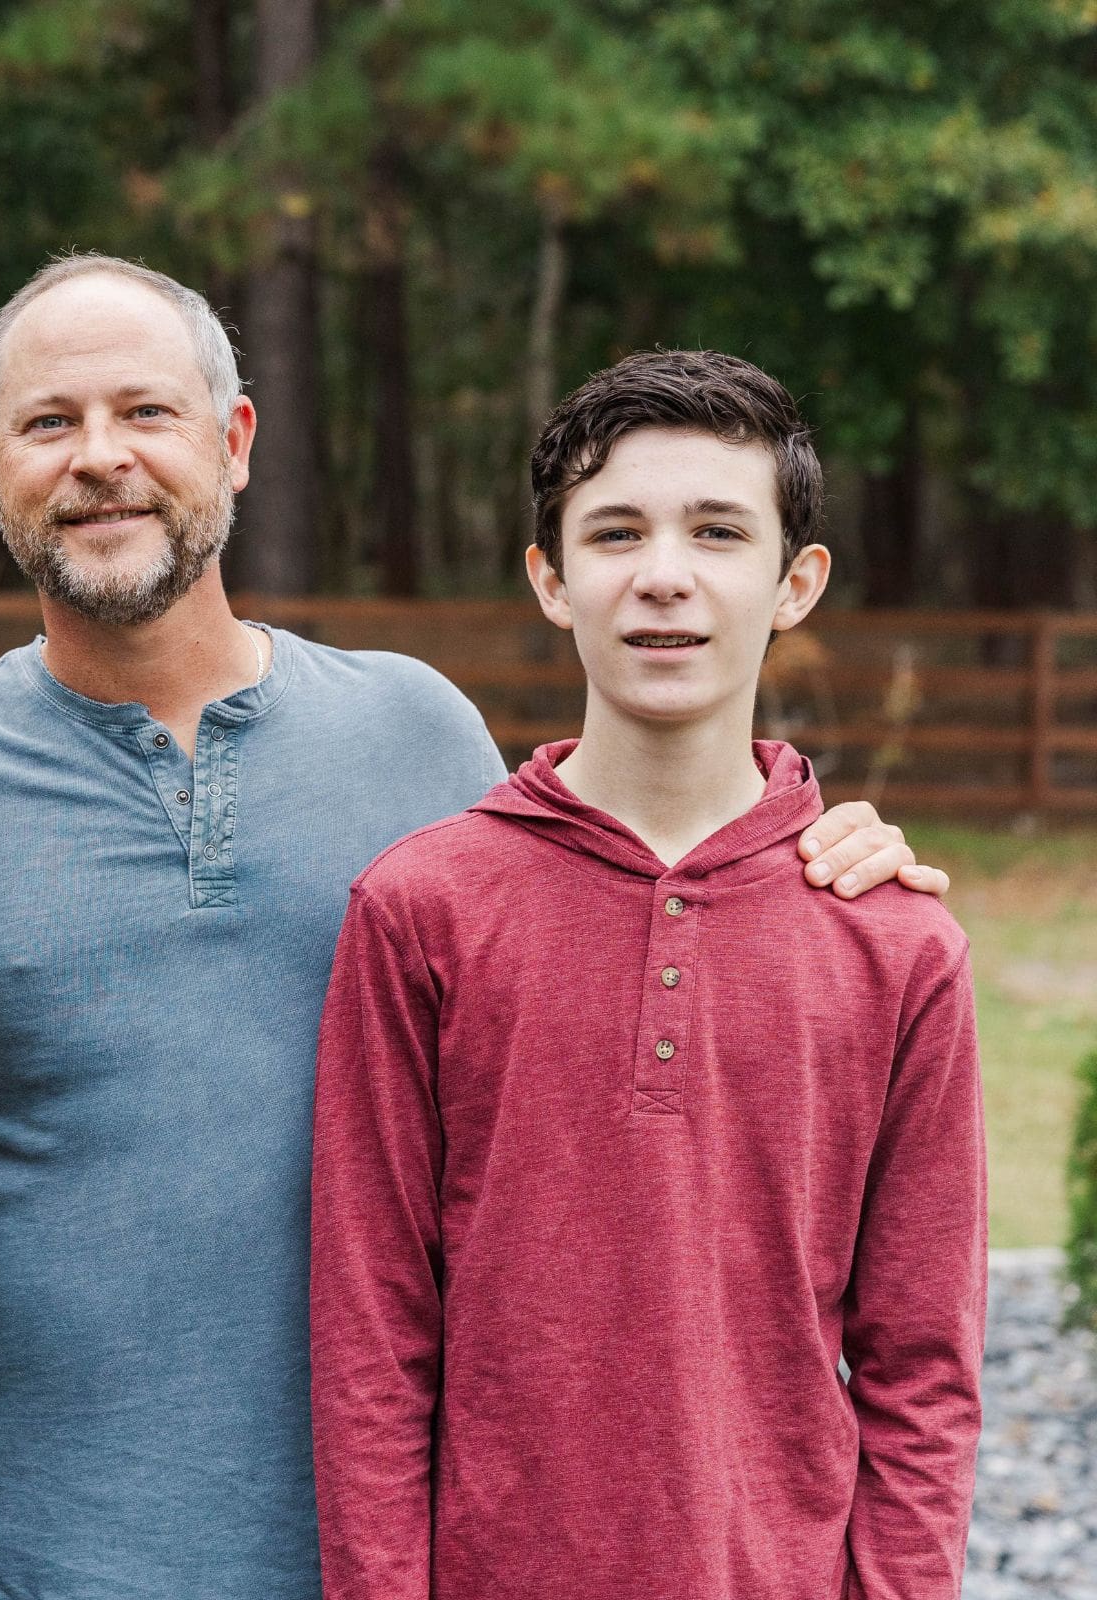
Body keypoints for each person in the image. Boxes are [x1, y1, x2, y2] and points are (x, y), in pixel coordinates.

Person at [0, 255, 952, 1599]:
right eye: (51, 424)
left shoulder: (413, 735)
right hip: (26, 1559)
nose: (101, 457)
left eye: (147, 413)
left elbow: (612, 885)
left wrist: (811, 858)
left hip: (398, 1549)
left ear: (234, 444)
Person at [309, 351, 985, 1600]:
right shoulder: (420, 909)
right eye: (613, 531)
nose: (662, 572)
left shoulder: (896, 946)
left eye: (716, 531)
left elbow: (922, 1370)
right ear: (549, 580)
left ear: (794, 584)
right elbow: (373, 1334)